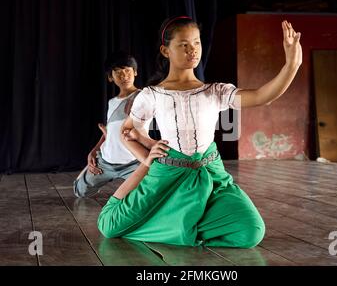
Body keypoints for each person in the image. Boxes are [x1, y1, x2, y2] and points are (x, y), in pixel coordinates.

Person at [97, 16, 302, 248]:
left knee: (251, 232)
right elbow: (127, 131)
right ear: (166, 50)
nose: (192, 50)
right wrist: (147, 158)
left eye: (196, 43)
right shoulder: (151, 94)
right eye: (183, 45)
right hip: (166, 174)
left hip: (211, 173)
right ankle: (177, 225)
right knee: (109, 226)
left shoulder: (215, 91)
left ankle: (183, 227)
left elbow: (262, 96)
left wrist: (291, 65)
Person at [73, 51, 150, 198]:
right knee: (79, 192)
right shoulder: (111, 102)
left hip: (133, 163)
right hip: (106, 161)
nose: (124, 75)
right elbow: (109, 132)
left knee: (144, 196)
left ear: (135, 72)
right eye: (118, 72)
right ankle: (85, 174)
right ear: (110, 77)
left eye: (127, 70)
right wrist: (94, 150)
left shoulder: (144, 96)